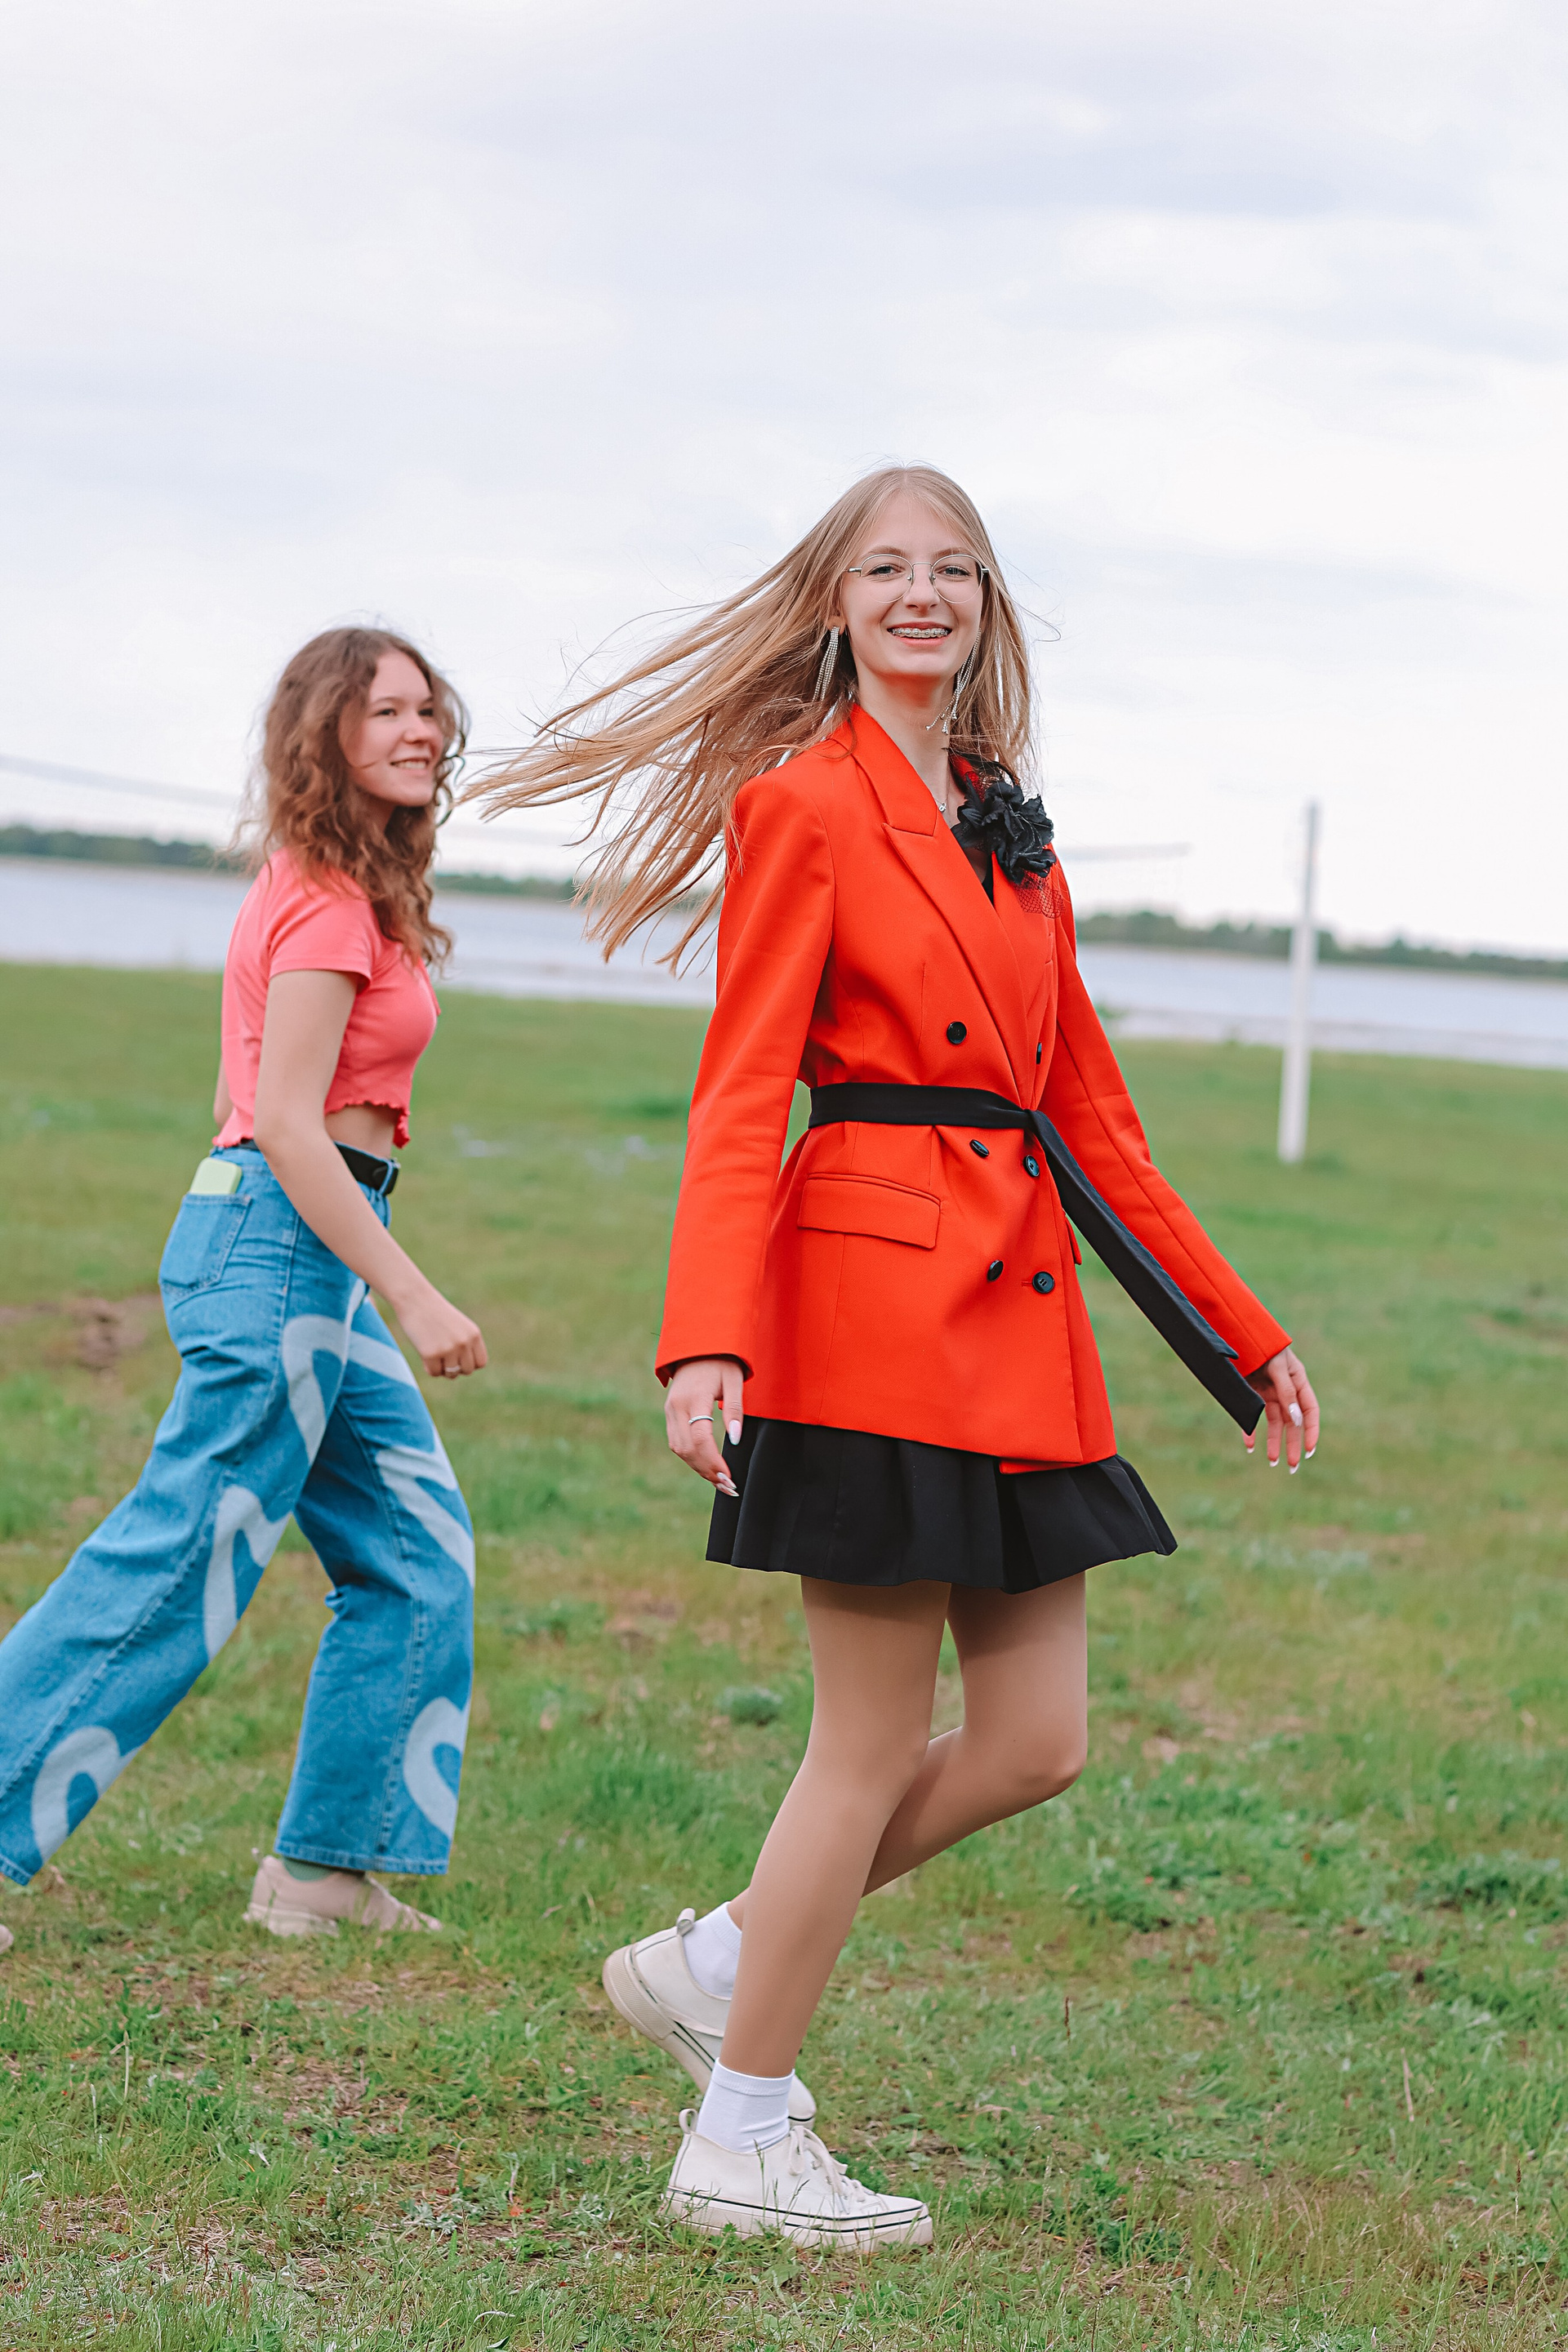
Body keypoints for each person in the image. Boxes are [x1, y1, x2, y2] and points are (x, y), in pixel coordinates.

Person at [479, 464, 1320, 2252]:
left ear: (989, 604)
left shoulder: (1013, 823)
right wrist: (704, 1341)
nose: (923, 593)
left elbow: (1093, 1117)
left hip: (1016, 1318)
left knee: (1036, 1738)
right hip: (862, 1311)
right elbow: (741, 1091)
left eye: (954, 569)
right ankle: (738, 2138)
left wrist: (1238, 1334)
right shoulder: (800, 804)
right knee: (862, 1745)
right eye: (886, 568)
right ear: (839, 603)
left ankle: (726, 1956)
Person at [0, 627, 484, 1958]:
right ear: (325, 733)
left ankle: (325, 1869)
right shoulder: (326, 902)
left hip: (302, 1250)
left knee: (415, 1548)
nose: (421, 730)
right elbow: (282, 1119)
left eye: (430, 709)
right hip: (279, 1247)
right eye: (387, 711)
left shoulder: (343, 885)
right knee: (180, 1558)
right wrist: (413, 1294)